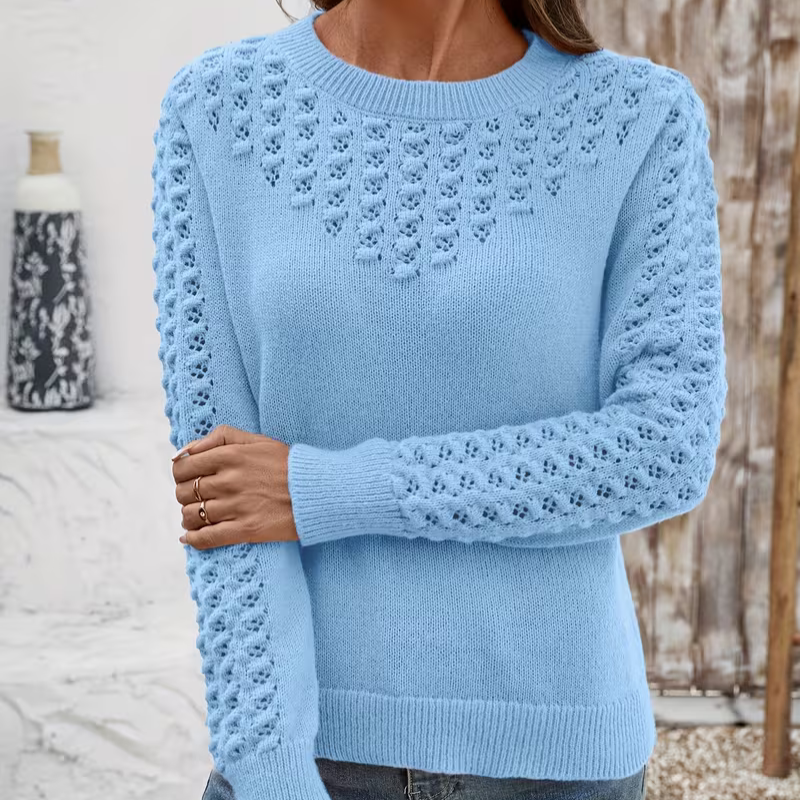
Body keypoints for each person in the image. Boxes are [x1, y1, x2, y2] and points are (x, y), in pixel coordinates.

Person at [150, 1, 727, 798]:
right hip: (311, 758)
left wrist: (329, 489)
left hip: (555, 759)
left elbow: (663, 449)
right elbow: (222, 496)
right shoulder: (218, 109)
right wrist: (271, 773)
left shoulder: (639, 118)